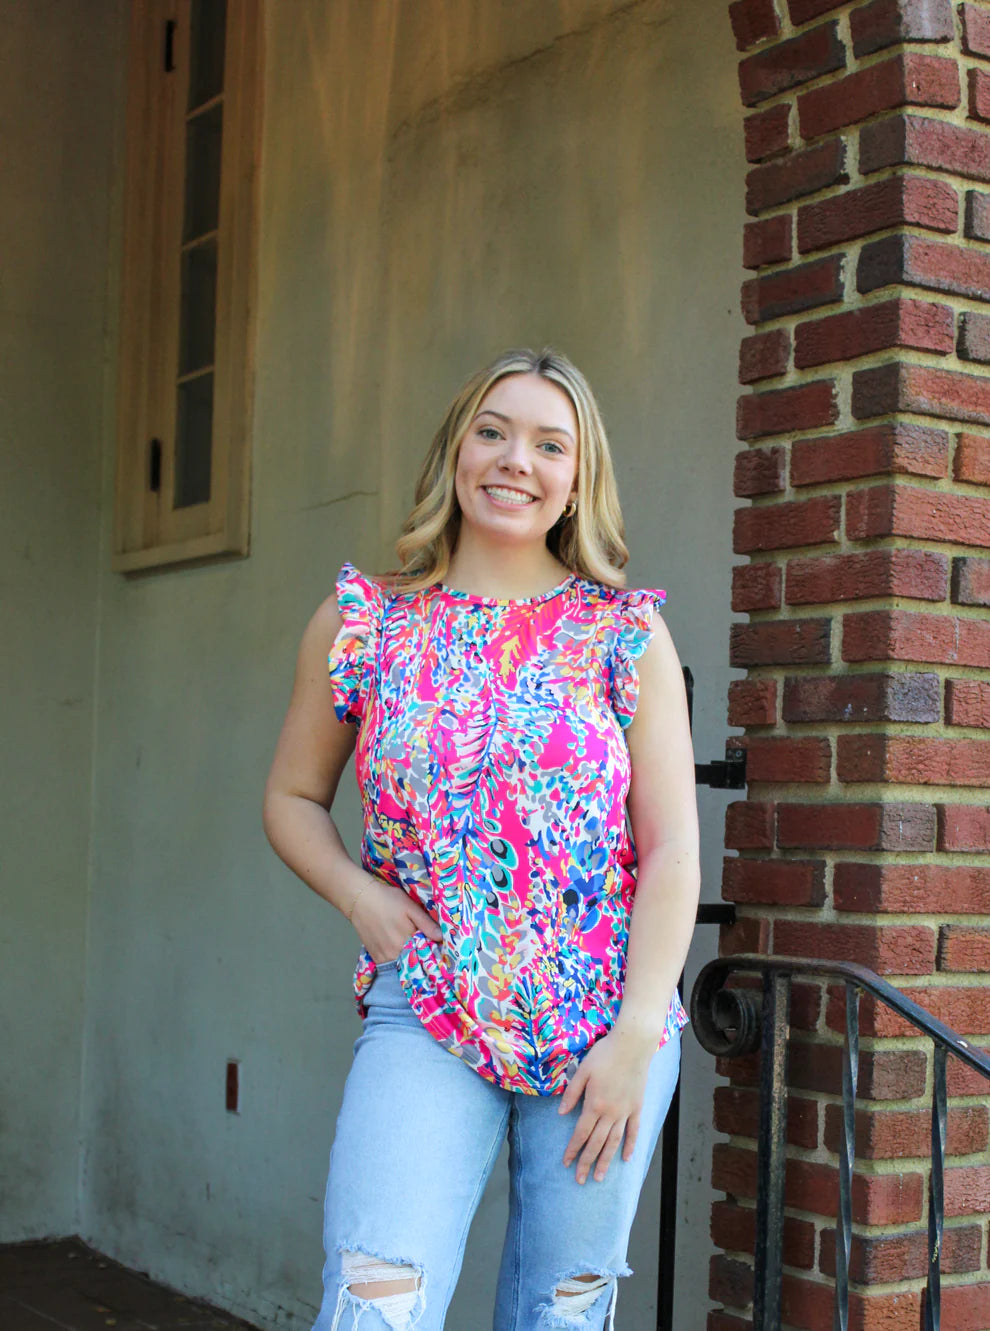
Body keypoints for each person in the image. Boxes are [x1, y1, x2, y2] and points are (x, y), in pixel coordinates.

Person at [262, 347, 700, 1331]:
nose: (516, 460)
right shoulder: (366, 622)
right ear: (457, 448)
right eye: (494, 430)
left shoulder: (624, 635)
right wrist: (357, 893)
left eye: (552, 443)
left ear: (577, 478)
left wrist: (637, 1033)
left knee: (562, 1312)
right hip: (425, 1004)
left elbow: (671, 849)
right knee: (377, 1296)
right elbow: (292, 795)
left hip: (604, 1027)